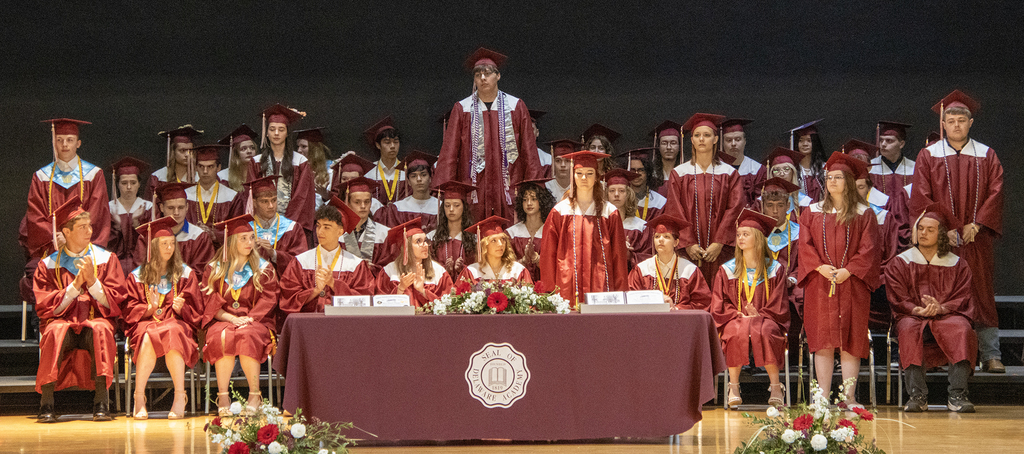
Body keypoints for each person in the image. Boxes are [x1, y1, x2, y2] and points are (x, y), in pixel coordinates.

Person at [910, 90, 1004, 373]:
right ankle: (943, 355)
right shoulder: (929, 155)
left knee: (982, 292)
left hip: (977, 238)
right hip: (943, 240)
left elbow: (996, 192)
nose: (956, 125)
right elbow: (922, 195)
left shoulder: (986, 154)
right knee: (941, 294)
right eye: (951, 120)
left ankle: (990, 355)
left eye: (961, 120)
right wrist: (945, 229)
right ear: (943, 123)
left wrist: (979, 223)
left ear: (970, 122)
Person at [798, 152, 880, 407]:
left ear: (849, 181)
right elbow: (804, 245)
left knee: (850, 341)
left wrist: (850, 270)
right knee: (822, 340)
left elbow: (870, 249)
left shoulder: (864, 214)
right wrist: (819, 267)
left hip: (852, 284)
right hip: (820, 283)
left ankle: (849, 398)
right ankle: (821, 397)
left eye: (838, 177)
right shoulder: (811, 212)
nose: (832, 181)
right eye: (829, 177)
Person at [33, 199, 125, 423]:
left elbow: (116, 301)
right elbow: (45, 306)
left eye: (90, 226)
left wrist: (93, 282)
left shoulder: (105, 259)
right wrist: (74, 288)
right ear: (66, 231)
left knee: (102, 329)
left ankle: (101, 403)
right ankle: (46, 404)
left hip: (93, 322)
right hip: (62, 322)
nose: (89, 231)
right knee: (54, 331)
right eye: (82, 227)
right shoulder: (48, 265)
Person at [886, 204, 977, 412]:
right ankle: (917, 396)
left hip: (947, 316)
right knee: (908, 328)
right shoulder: (900, 263)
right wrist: (916, 309)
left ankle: (958, 395)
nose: (923, 233)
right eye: (920, 229)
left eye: (930, 229)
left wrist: (942, 308)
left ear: (942, 235)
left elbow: (963, 297)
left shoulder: (957, 264)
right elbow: (897, 296)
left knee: (962, 328)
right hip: (913, 315)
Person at [435, 47, 542, 221]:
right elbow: (449, 153)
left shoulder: (516, 106)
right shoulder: (462, 109)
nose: (483, 78)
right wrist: (449, 192)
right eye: (478, 74)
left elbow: (529, 151)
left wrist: (534, 189)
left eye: (487, 73)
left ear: (498, 76)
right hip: (474, 191)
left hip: (509, 188)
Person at [124, 216, 202, 420]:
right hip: (146, 324)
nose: (169, 248)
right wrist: (149, 309)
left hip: (176, 324)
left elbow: (197, 311)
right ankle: (139, 397)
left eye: (172, 244)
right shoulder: (137, 276)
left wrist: (182, 308)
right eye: (164, 244)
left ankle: (179, 395)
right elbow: (129, 310)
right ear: (152, 248)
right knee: (148, 336)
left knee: (174, 332)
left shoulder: (185, 274)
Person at [712, 209, 791, 408]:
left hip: (767, 319)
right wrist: (736, 314)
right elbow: (719, 302)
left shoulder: (774, 269)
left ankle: (775, 386)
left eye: (745, 234)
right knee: (734, 332)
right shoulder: (727, 269)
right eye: (738, 234)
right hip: (735, 319)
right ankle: (734, 387)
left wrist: (761, 314)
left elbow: (779, 301)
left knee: (766, 330)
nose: (740, 238)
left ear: (758, 238)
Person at [201, 214, 279, 416]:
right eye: (243, 238)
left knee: (247, 335)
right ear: (231, 241)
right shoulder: (215, 269)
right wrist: (232, 319)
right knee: (221, 337)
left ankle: (254, 395)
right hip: (224, 319)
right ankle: (223, 396)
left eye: (251, 237)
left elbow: (269, 298)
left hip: (255, 320)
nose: (249, 242)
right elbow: (209, 302)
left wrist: (249, 318)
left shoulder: (263, 268)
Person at [539, 150, 628, 308]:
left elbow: (618, 258)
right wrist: (549, 296)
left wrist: (621, 297)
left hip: (601, 288)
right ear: (573, 175)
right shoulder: (560, 212)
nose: (584, 178)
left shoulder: (609, 213)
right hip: (566, 287)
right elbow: (548, 256)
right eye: (579, 173)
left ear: (596, 177)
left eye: (589, 173)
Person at [664, 113, 745, 286]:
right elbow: (675, 211)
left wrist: (719, 242)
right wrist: (688, 243)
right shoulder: (679, 173)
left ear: (715, 139)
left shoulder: (729, 173)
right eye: (697, 135)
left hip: (721, 251)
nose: (702, 139)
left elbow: (735, 209)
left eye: (707, 135)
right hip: (689, 251)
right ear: (691, 140)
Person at [24, 118, 111, 261]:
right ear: (54, 143)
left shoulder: (93, 174)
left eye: (69, 140)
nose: (64, 144)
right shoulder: (41, 176)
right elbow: (35, 216)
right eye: (59, 140)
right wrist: (56, 235)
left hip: (84, 250)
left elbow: (97, 213)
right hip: (53, 248)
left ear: (78, 144)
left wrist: (72, 237)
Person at [280, 197, 375, 314]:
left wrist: (334, 285)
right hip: (309, 323)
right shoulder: (301, 261)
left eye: (326, 227)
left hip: (343, 323)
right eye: (318, 225)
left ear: (340, 232)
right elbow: (287, 299)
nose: (319, 232)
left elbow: (365, 301)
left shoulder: (355, 264)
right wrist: (316, 291)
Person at [247, 104, 315, 238]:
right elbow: (250, 197)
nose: (276, 133)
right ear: (266, 132)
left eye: (281, 129)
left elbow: (302, 198)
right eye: (272, 129)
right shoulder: (256, 162)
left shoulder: (300, 162)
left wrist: (287, 226)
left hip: (290, 229)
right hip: (261, 228)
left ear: (287, 133)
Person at [133, 183, 215, 281]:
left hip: (187, 291)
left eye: (180, 207)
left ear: (187, 207)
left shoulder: (198, 236)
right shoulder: (148, 235)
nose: (176, 212)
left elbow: (202, 273)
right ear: (162, 208)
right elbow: (140, 270)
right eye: (171, 208)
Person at [627, 215, 711, 310]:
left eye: (666, 236)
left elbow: (702, 303)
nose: (661, 240)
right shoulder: (642, 269)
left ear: (676, 242)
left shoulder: (689, 270)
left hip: (680, 321)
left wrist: (677, 309)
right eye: (657, 236)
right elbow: (631, 299)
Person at [760, 178, 804, 354]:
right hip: (762, 284)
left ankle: (797, 349)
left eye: (780, 205)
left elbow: (806, 263)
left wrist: (792, 278)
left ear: (788, 206)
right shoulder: (757, 233)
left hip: (791, 286)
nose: (775, 210)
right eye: (770, 205)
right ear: (763, 207)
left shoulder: (800, 232)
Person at [376, 217, 454, 307]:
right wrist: (400, 289)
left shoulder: (438, 271)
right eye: (418, 241)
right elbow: (379, 304)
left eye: (425, 241)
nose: (424, 245)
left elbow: (449, 304)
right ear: (406, 246)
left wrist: (423, 291)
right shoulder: (389, 271)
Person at [244, 176, 309, 278]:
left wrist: (273, 254)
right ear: (255, 203)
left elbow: (301, 262)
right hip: (252, 286)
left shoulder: (291, 228)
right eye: (265, 201)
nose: (271, 206)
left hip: (284, 286)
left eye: (274, 200)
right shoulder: (245, 229)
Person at [186, 145, 241, 248]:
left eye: (210, 166)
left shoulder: (231, 196)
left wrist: (215, 235)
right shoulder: (186, 195)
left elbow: (237, 231)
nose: (205, 171)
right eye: (201, 166)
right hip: (192, 251)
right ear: (196, 167)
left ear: (218, 168)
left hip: (221, 254)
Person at [107, 157, 153, 274]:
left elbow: (152, 243)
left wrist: (136, 223)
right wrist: (117, 227)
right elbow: (105, 246)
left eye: (133, 183)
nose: (128, 187)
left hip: (142, 267)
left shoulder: (148, 208)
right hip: (114, 268)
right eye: (124, 183)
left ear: (139, 184)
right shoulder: (109, 208)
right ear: (117, 184)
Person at [375, 150, 439, 232]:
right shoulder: (397, 209)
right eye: (413, 176)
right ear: (408, 181)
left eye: (423, 175)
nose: (419, 179)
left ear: (430, 178)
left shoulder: (440, 207)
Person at [338, 177, 391, 271]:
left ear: (371, 203)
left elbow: (389, 269)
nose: (363, 206)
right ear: (348, 204)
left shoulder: (384, 234)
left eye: (367, 202)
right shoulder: (338, 233)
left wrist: (372, 268)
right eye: (357, 202)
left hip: (375, 284)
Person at [459, 216, 533, 284]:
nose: (500, 244)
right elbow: (458, 295)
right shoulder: (472, 272)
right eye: (494, 240)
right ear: (484, 246)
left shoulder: (517, 270)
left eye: (502, 239)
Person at [507, 179, 555, 281]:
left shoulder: (551, 231)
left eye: (533, 199)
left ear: (542, 201)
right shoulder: (512, 233)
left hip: (546, 290)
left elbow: (556, 267)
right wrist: (524, 260)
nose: (529, 203)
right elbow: (506, 268)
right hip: (518, 290)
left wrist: (537, 259)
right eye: (525, 199)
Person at [429, 181, 477, 278]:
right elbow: (428, 269)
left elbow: (478, 269)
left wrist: (462, 269)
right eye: (447, 205)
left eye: (456, 205)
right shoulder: (432, 238)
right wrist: (444, 270)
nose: (451, 209)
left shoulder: (474, 238)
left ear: (464, 207)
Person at [605, 169, 651, 268]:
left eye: (621, 190)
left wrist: (629, 255)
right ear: (606, 194)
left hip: (630, 280)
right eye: (612, 190)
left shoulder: (641, 227)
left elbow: (648, 260)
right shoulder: (600, 224)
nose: (616, 194)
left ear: (628, 194)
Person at [362, 116, 409, 206]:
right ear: (378, 145)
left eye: (396, 142)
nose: (392, 146)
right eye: (387, 142)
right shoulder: (369, 171)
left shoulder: (407, 171)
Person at [719, 118, 766, 205]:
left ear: (744, 141)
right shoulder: (716, 169)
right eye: (728, 140)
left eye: (738, 139)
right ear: (723, 143)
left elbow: (760, 201)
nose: (733, 144)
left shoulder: (757, 170)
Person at [148, 125, 201, 199]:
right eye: (182, 150)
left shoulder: (199, 177)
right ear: (173, 152)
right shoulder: (158, 177)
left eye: (190, 151)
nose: (187, 155)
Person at [759, 147, 812, 216]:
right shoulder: (761, 201)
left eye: (786, 169)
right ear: (772, 174)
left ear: (793, 172)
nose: (781, 173)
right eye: (776, 170)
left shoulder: (804, 201)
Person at [870, 120, 915, 198]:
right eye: (881, 140)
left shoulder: (914, 168)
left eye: (889, 141)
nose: (883, 144)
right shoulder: (871, 167)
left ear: (901, 144)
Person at [619, 147, 666, 222]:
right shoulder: (621, 200)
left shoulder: (659, 202)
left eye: (641, 170)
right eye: (633, 170)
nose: (637, 174)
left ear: (648, 172)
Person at [294, 127, 334, 210]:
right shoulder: (295, 170)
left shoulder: (330, 170)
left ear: (315, 149)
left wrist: (325, 195)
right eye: (298, 146)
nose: (299, 150)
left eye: (303, 146)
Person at [789, 120, 827, 203]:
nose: (805, 144)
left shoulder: (825, 168)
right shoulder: (793, 169)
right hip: (799, 212)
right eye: (801, 140)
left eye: (809, 140)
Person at [217, 124, 260, 192]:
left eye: (252, 148)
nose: (249, 151)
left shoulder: (260, 173)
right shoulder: (224, 177)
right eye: (243, 149)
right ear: (235, 154)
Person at [650, 120, 683, 197]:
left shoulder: (685, 173)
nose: (668, 147)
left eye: (673, 143)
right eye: (664, 143)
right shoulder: (651, 174)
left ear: (679, 146)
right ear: (658, 147)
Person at [530, 109, 551, 177]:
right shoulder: (509, 158)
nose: (528, 133)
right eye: (524, 129)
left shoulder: (548, 160)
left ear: (537, 132)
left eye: (531, 129)